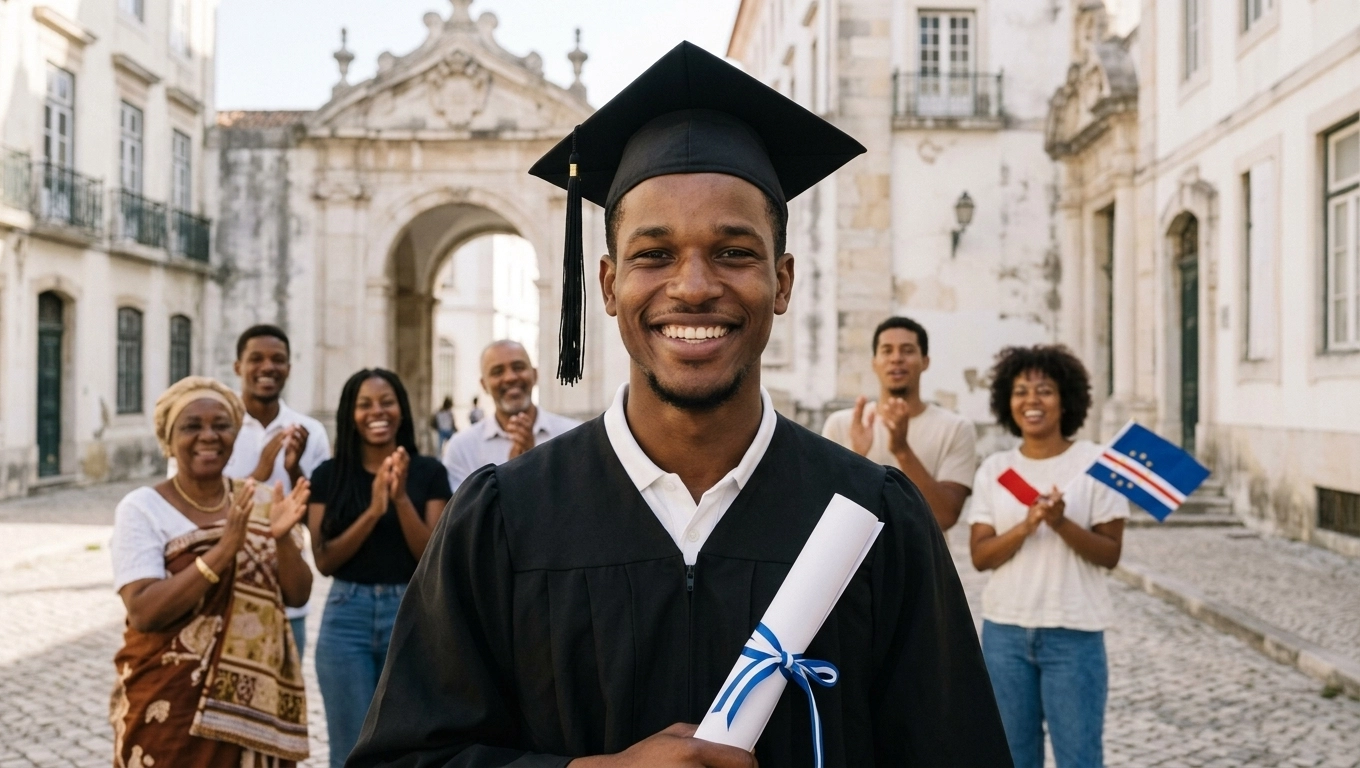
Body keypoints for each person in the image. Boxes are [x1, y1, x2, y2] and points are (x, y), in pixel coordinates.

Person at [349, 41, 1010, 768]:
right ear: (607, 285)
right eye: (653, 254)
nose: (693, 286)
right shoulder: (504, 520)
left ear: (782, 282)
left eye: (733, 252)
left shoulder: (876, 516)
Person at [109, 376, 312, 767]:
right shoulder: (142, 508)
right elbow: (144, 611)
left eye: (221, 425)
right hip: (169, 708)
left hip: (257, 714)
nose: (208, 436)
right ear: (168, 440)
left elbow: (298, 595)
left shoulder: (258, 500)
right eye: (191, 426)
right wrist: (221, 553)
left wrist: (283, 539)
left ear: (235, 435)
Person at [968, 345, 1129, 768]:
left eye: (1045, 390)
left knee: (1079, 758)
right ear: (1008, 401)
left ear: (1067, 399)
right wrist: (1027, 525)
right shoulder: (996, 470)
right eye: (1020, 391)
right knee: (1013, 758)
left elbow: (1110, 554)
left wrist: (1060, 523)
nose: (1031, 401)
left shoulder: (1095, 464)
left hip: (1074, 635)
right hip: (1005, 636)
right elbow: (981, 555)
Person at [306, 369, 453, 768]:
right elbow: (324, 560)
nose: (377, 412)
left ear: (401, 411)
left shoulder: (429, 473)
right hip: (344, 619)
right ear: (349, 414)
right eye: (365, 404)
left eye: (386, 402)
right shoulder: (328, 476)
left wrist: (400, 498)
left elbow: (431, 556)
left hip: (412, 616)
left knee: (412, 746)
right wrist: (373, 511)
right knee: (348, 749)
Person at [224, 324, 332, 656]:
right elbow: (199, 509)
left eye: (278, 359)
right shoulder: (217, 427)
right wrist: (257, 473)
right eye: (256, 358)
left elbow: (319, 522)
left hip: (287, 594)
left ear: (288, 368)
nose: (268, 367)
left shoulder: (310, 432)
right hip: (226, 589)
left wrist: (293, 468)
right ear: (238, 366)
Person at [822, 316, 977, 530]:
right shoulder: (842, 424)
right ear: (874, 362)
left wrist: (902, 449)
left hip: (921, 559)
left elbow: (944, 516)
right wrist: (858, 456)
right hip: (857, 560)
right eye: (887, 350)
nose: (896, 358)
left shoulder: (956, 428)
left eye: (907, 350)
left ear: (925, 361)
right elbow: (824, 509)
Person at [442, 340, 580, 492]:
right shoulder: (462, 448)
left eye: (518, 367)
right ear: (484, 385)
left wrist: (533, 463)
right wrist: (513, 473)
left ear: (534, 375)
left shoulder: (574, 435)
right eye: (497, 372)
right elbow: (468, 513)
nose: (510, 377)